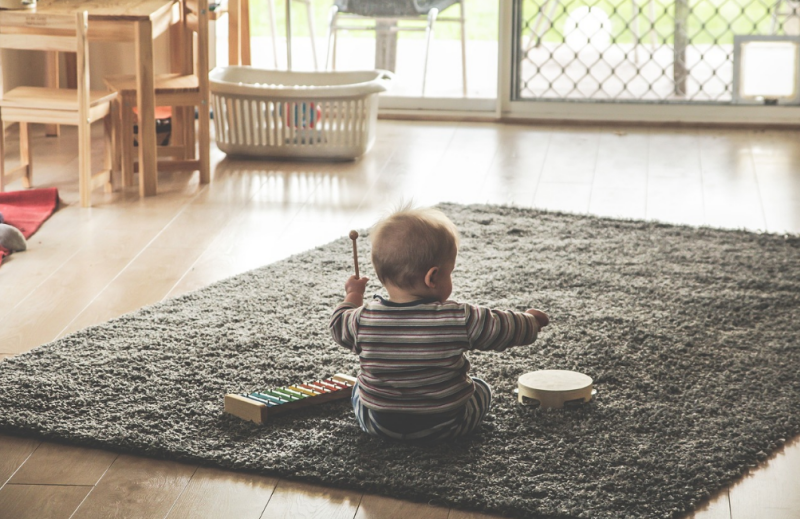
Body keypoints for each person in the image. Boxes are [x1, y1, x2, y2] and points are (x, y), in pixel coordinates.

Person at [330, 205, 549, 441]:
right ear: (432, 277)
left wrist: (353, 294)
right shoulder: (459, 318)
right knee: (482, 388)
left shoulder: (362, 319)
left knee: (358, 387)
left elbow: (338, 324)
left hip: (379, 425)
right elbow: (502, 327)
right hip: (447, 425)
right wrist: (531, 322)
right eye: (450, 272)